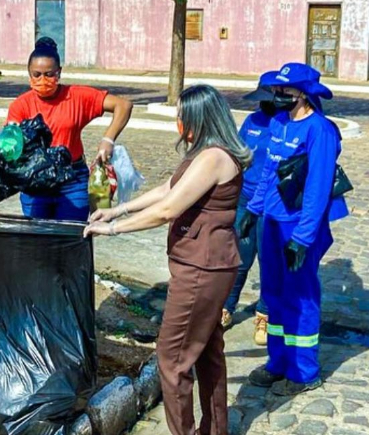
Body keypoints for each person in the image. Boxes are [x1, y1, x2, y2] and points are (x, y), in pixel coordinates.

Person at [85, 85, 252, 435]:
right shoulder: (205, 152)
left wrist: (114, 229)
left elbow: (167, 209)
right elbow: (168, 188)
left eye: (182, 115)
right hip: (205, 264)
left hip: (202, 270)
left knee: (172, 358)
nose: (178, 121)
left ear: (198, 118)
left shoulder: (214, 158)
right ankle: (215, 429)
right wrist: (117, 209)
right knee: (207, 351)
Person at [241, 63, 349, 396]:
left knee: (300, 296)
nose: (277, 96)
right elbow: (269, 173)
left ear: (302, 93)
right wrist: (253, 210)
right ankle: (278, 362)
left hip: (300, 226)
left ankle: (304, 371)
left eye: (284, 91)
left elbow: (317, 187)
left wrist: (303, 238)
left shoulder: (320, 131)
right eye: (276, 90)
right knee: (273, 293)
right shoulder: (278, 122)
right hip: (272, 222)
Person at [7, 37, 134, 222]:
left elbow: (123, 105)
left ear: (59, 73)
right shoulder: (20, 106)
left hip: (72, 179)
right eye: (37, 74)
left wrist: (108, 139)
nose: (43, 80)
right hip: (35, 182)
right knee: (38, 241)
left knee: (71, 237)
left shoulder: (76, 97)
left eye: (49, 74)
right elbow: (10, 145)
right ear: (29, 74)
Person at [221, 72, 277, 346]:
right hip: (245, 201)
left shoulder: (286, 125)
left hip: (272, 207)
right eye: (262, 100)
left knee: (268, 261)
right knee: (240, 257)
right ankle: (226, 307)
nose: (264, 105)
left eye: (269, 100)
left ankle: (264, 315)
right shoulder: (252, 121)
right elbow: (237, 154)